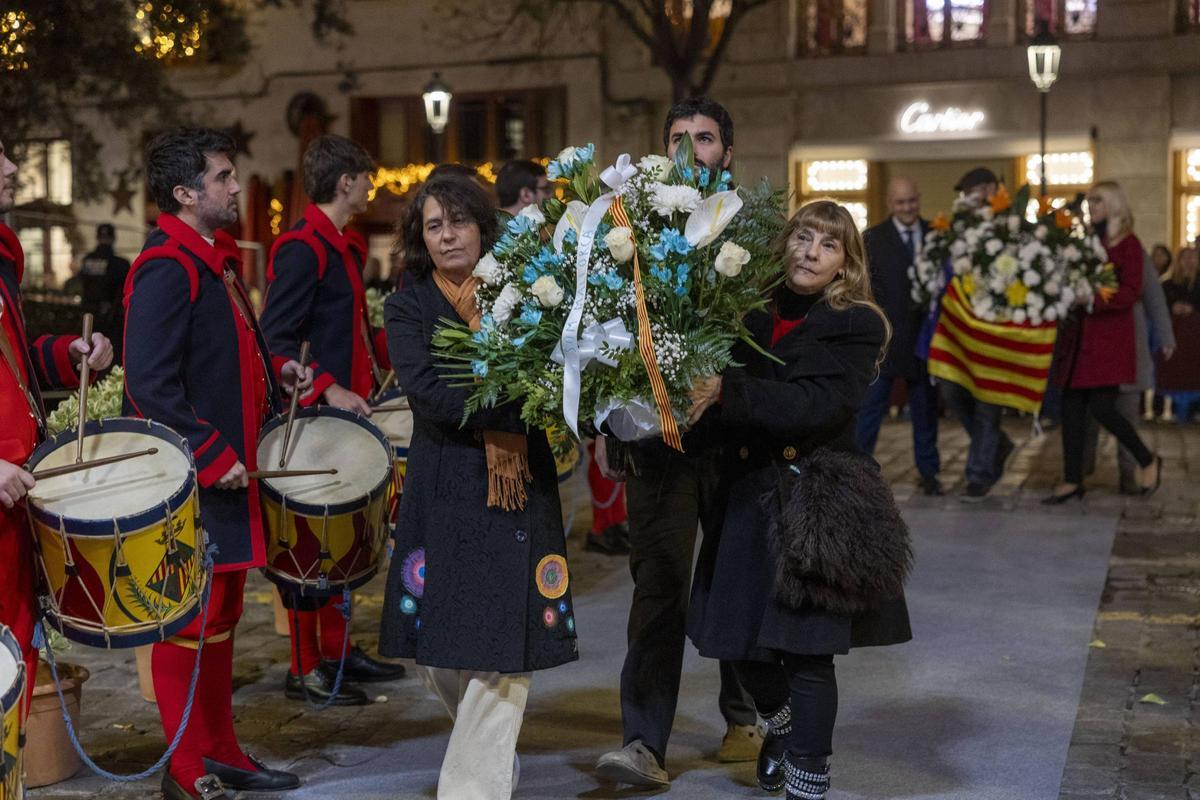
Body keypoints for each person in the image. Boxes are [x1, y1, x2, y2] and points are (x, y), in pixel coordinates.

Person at [687, 200, 912, 800]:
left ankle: (809, 780)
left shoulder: (856, 322)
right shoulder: (747, 310)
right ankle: (781, 729)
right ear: (786, 242)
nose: (811, 251)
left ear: (845, 264)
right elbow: (712, 404)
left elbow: (817, 407)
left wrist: (725, 392)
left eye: (828, 244)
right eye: (804, 237)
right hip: (745, 495)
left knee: (807, 654)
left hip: (815, 502)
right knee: (738, 644)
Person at [124, 127, 311, 800]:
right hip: (194, 477)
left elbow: (220, 360)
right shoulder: (167, 266)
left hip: (228, 473)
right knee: (186, 619)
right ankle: (184, 771)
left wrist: (275, 376)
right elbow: (148, 381)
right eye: (224, 177)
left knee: (223, 611)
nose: (236, 187)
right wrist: (209, 454)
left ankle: (222, 750)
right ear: (184, 193)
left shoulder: (212, 259)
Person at [378, 175, 578, 800]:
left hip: (520, 490)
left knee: (503, 639)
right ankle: (491, 752)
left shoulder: (527, 295)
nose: (446, 235)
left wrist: (525, 397)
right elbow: (429, 395)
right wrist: (513, 402)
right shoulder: (406, 306)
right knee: (438, 648)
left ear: (482, 227)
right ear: (421, 238)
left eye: (457, 222)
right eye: (433, 226)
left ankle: (473, 787)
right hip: (445, 484)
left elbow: (557, 372)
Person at [595, 95, 757, 789]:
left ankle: (748, 713)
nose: (693, 148)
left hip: (737, 440)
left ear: (728, 153)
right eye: (679, 138)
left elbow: (773, 339)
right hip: (658, 445)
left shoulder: (753, 229)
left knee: (736, 578)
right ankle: (644, 742)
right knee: (659, 586)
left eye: (708, 138)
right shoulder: (625, 228)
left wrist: (729, 384)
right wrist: (609, 418)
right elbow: (594, 332)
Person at [259, 133, 404, 707]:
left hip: (345, 413)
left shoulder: (339, 243)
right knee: (309, 546)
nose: (372, 185)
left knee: (346, 539)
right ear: (345, 181)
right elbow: (276, 340)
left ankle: (340, 651)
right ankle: (304, 666)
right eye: (366, 176)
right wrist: (325, 385)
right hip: (316, 417)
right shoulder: (302, 246)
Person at [0, 137, 114, 727]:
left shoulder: (2, 253)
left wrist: (66, 353)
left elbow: (10, 360)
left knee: (16, 651)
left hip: (18, 490)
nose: (13, 167)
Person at [1043, 181, 1163, 503]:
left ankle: (1146, 458)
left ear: (1114, 204)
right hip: (1080, 340)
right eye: (1090, 200)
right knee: (1070, 409)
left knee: (1101, 408)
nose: (1091, 205)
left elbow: (1131, 291)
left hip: (1109, 340)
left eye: (1098, 200)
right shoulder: (1088, 240)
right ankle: (1072, 479)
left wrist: (1092, 298)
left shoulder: (1129, 245)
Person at [926, 167, 1015, 501]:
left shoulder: (1008, 224)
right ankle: (999, 445)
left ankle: (978, 474)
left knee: (987, 400)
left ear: (991, 189)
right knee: (952, 391)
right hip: (956, 327)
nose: (966, 198)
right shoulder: (955, 228)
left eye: (972, 191)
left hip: (993, 327)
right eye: (963, 193)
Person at [857, 177, 941, 495]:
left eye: (912, 201)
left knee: (926, 411)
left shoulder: (937, 235)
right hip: (887, 341)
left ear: (919, 198)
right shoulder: (873, 239)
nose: (907, 208)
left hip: (925, 341)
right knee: (870, 411)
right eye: (900, 202)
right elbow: (866, 288)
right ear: (890, 203)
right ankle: (858, 472)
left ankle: (929, 473)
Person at [1080, 247, 1174, 492]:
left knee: (1126, 412)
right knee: (1090, 411)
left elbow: (1153, 295)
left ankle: (1129, 473)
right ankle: (1081, 468)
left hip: (1129, 342)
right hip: (1095, 343)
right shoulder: (1088, 248)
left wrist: (1165, 336)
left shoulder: (1133, 253)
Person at [78, 222, 131, 358]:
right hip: (110, 317)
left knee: (88, 352)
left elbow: (83, 285)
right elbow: (123, 291)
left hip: (89, 313)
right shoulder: (120, 264)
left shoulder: (87, 260)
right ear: (113, 239)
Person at [1160, 247, 1200, 420]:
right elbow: (1159, 306)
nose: (1189, 262)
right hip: (1175, 336)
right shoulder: (1168, 286)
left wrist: (1193, 309)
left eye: (1193, 258)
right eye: (1185, 258)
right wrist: (1173, 308)